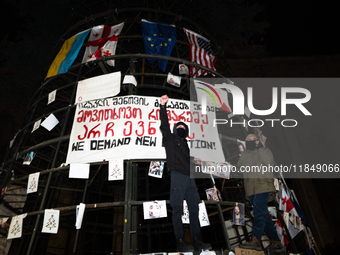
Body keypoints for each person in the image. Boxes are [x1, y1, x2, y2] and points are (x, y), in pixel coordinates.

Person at [159, 95, 212, 252]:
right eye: (179, 127)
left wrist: (197, 162)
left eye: (184, 128)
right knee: (177, 209)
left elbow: (188, 160)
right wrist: (163, 106)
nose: (181, 128)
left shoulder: (186, 145)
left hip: (190, 179)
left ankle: (197, 240)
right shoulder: (169, 138)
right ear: (175, 130)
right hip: (177, 176)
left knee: (194, 209)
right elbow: (164, 124)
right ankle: (180, 241)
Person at [237, 134, 283, 252]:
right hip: (251, 189)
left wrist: (260, 148)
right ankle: (276, 241)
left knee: (259, 213)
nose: (253, 142)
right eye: (250, 141)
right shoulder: (244, 155)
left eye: (254, 140)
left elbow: (269, 162)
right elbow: (239, 169)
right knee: (262, 214)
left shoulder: (265, 151)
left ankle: (255, 239)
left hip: (263, 186)